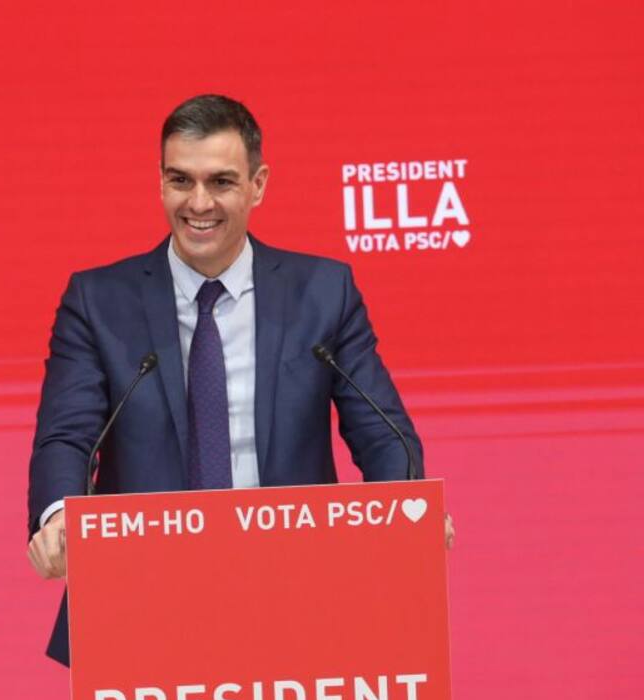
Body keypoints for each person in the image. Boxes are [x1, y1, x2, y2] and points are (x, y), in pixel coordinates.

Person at [27, 94, 451, 666]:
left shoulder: (322, 292)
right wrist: (58, 516)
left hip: (297, 592)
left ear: (258, 185)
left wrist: (406, 508)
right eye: (180, 180)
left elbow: (382, 432)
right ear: (160, 182)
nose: (198, 203)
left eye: (221, 182)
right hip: (141, 595)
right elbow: (68, 434)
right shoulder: (98, 301)